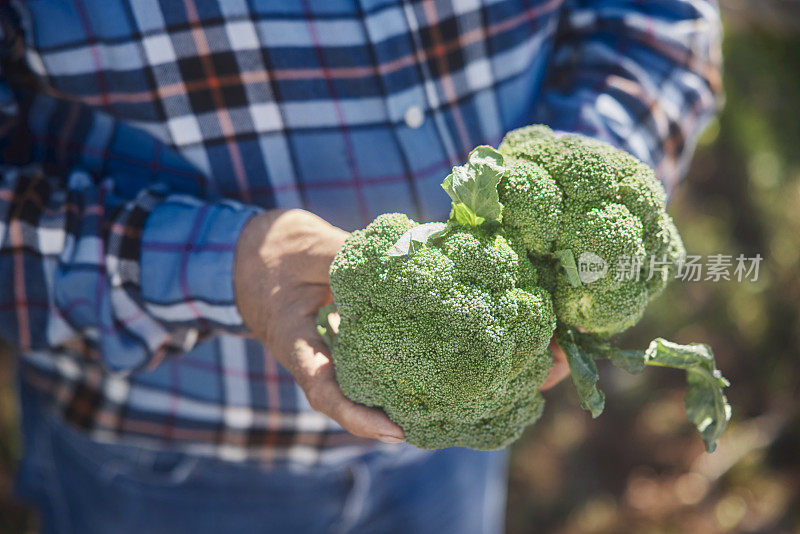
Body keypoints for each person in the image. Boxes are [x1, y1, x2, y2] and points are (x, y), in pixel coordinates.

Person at [0, 1, 721, 533]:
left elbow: (657, 23)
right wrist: (224, 263)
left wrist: (569, 195)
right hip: (161, 472)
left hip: (453, 450)